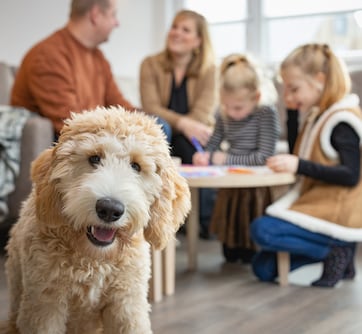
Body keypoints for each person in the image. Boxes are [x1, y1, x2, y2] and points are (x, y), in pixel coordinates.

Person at [250, 43, 362, 288]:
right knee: (263, 268)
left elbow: (351, 175)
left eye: (294, 89)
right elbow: (297, 151)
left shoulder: (342, 120)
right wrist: (291, 115)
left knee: (262, 230)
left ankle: (337, 249)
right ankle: (340, 253)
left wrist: (299, 165)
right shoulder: (318, 114)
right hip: (318, 207)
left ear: (319, 80)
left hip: (336, 210)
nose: (288, 96)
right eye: (285, 90)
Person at [10, 0, 171, 141]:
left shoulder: (97, 57)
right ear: (95, 15)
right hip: (69, 140)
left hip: (96, 132)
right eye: (113, 15)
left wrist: (145, 120)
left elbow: (118, 103)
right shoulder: (49, 55)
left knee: (159, 125)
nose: (117, 23)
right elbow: (69, 122)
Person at [193, 54, 279, 261]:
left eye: (238, 108)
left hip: (255, 184)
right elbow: (212, 144)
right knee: (230, 248)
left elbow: (263, 157)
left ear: (256, 97)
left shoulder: (266, 114)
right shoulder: (223, 113)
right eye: (227, 106)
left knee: (251, 242)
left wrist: (224, 159)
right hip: (231, 183)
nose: (231, 113)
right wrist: (203, 156)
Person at [139, 9, 218, 238]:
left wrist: (187, 126)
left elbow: (203, 112)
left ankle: (195, 219)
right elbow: (151, 107)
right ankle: (165, 219)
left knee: (193, 144)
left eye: (185, 30)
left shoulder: (210, 69)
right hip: (164, 131)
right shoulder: (150, 64)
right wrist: (182, 123)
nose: (177, 33)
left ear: (198, 40)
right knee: (161, 127)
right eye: (174, 27)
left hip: (194, 133)